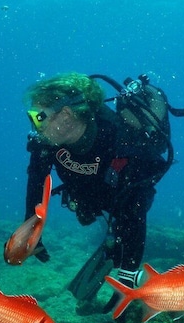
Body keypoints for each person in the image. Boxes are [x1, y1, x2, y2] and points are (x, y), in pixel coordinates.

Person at [23, 71, 176, 304]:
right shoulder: (47, 144)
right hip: (87, 195)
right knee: (110, 231)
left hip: (125, 196)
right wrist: (31, 232)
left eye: (38, 117)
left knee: (124, 227)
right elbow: (36, 180)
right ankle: (111, 248)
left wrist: (127, 282)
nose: (35, 126)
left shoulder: (118, 137)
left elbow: (135, 214)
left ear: (65, 115)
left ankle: (117, 257)